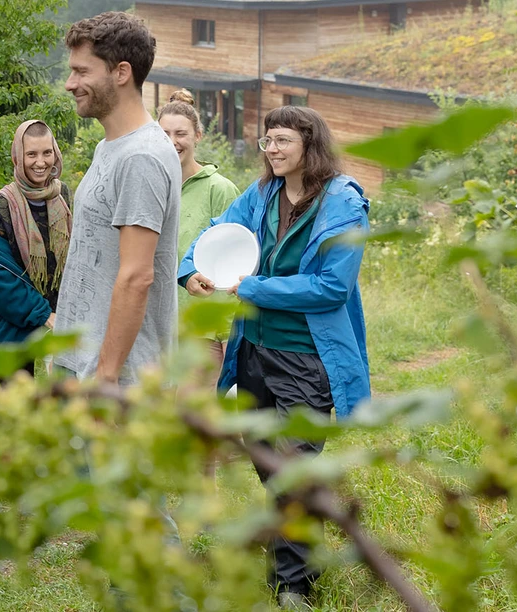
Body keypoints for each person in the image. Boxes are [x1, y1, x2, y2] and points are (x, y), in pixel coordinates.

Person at [178, 106, 370, 611]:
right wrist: (190, 270)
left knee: (294, 466)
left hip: (307, 357)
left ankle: (293, 585)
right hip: (254, 350)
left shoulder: (342, 203)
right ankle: (297, 548)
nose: (273, 150)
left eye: (283, 140)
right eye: (267, 141)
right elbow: (215, 232)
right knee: (265, 455)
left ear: (310, 143)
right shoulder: (262, 194)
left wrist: (255, 287)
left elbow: (332, 287)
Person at [53, 11, 182, 385]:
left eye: (82, 71)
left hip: (120, 379)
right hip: (81, 361)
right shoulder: (110, 146)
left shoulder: (141, 157)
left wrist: (106, 376)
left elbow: (137, 276)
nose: (70, 84)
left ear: (121, 72)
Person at [0, 120, 72, 377]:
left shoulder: (62, 196)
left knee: (64, 393)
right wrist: (43, 314)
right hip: (12, 323)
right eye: (31, 154)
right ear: (17, 157)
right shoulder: (2, 205)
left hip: (59, 318)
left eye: (47, 153)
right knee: (19, 398)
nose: (40, 162)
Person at [158, 89, 240, 383]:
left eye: (181, 133)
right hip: (155, 329)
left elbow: (234, 268)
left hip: (201, 333)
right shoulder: (151, 185)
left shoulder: (220, 190)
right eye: (164, 134)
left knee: (194, 411)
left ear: (198, 136)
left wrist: (228, 333)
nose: (172, 141)